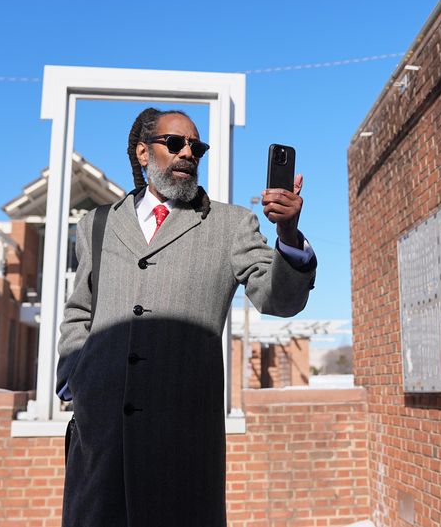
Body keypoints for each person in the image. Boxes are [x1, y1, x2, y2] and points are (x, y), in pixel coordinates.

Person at [55, 107, 316, 527]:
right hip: (99, 446)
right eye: (175, 143)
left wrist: (288, 235)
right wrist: (75, 382)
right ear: (143, 153)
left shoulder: (230, 225)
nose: (188, 153)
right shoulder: (97, 224)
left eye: (197, 146)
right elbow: (79, 311)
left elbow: (278, 299)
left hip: (183, 448)